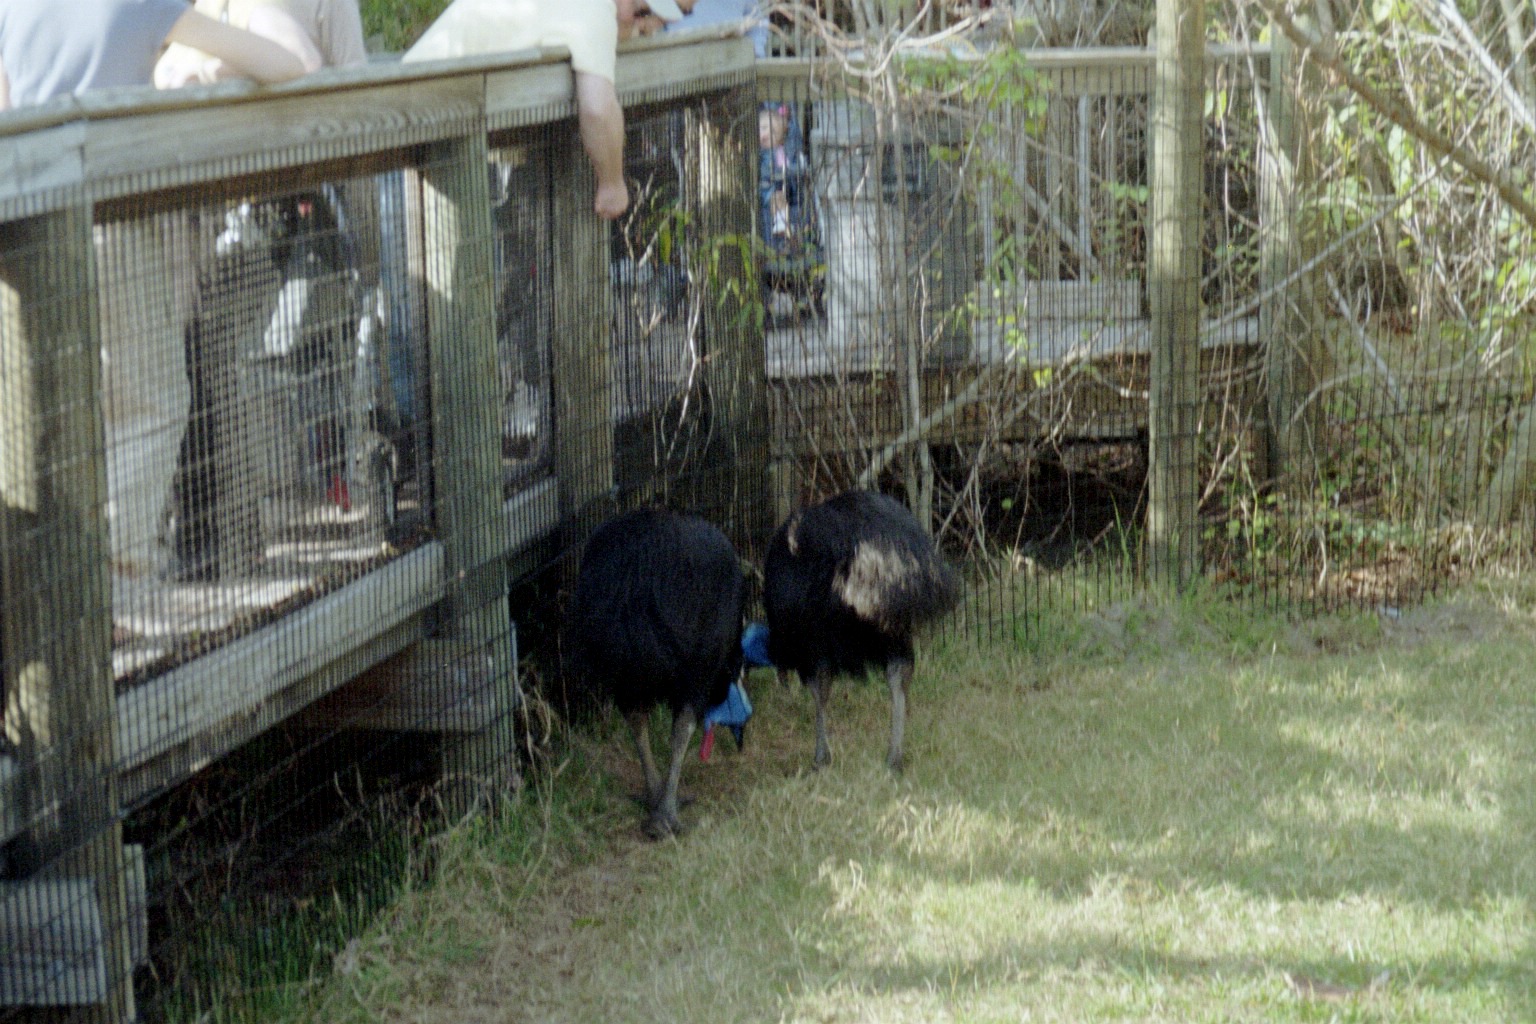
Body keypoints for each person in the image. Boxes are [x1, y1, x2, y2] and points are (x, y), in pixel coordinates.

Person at [0, 0, 319, 580]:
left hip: (23, 229)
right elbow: (296, 63)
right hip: (109, 217)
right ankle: (113, 581)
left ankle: (48, 585)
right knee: (156, 402)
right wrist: (220, 71)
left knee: (51, 414)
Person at [402, 0, 686, 222]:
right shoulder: (595, 9)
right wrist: (612, 185)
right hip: (422, 120)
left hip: (427, 111)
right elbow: (598, 108)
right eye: (642, 12)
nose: (646, 25)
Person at [0, 0, 317, 109]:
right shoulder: (145, 5)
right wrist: (208, 74)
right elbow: (289, 65)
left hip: (38, 224)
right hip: (125, 212)